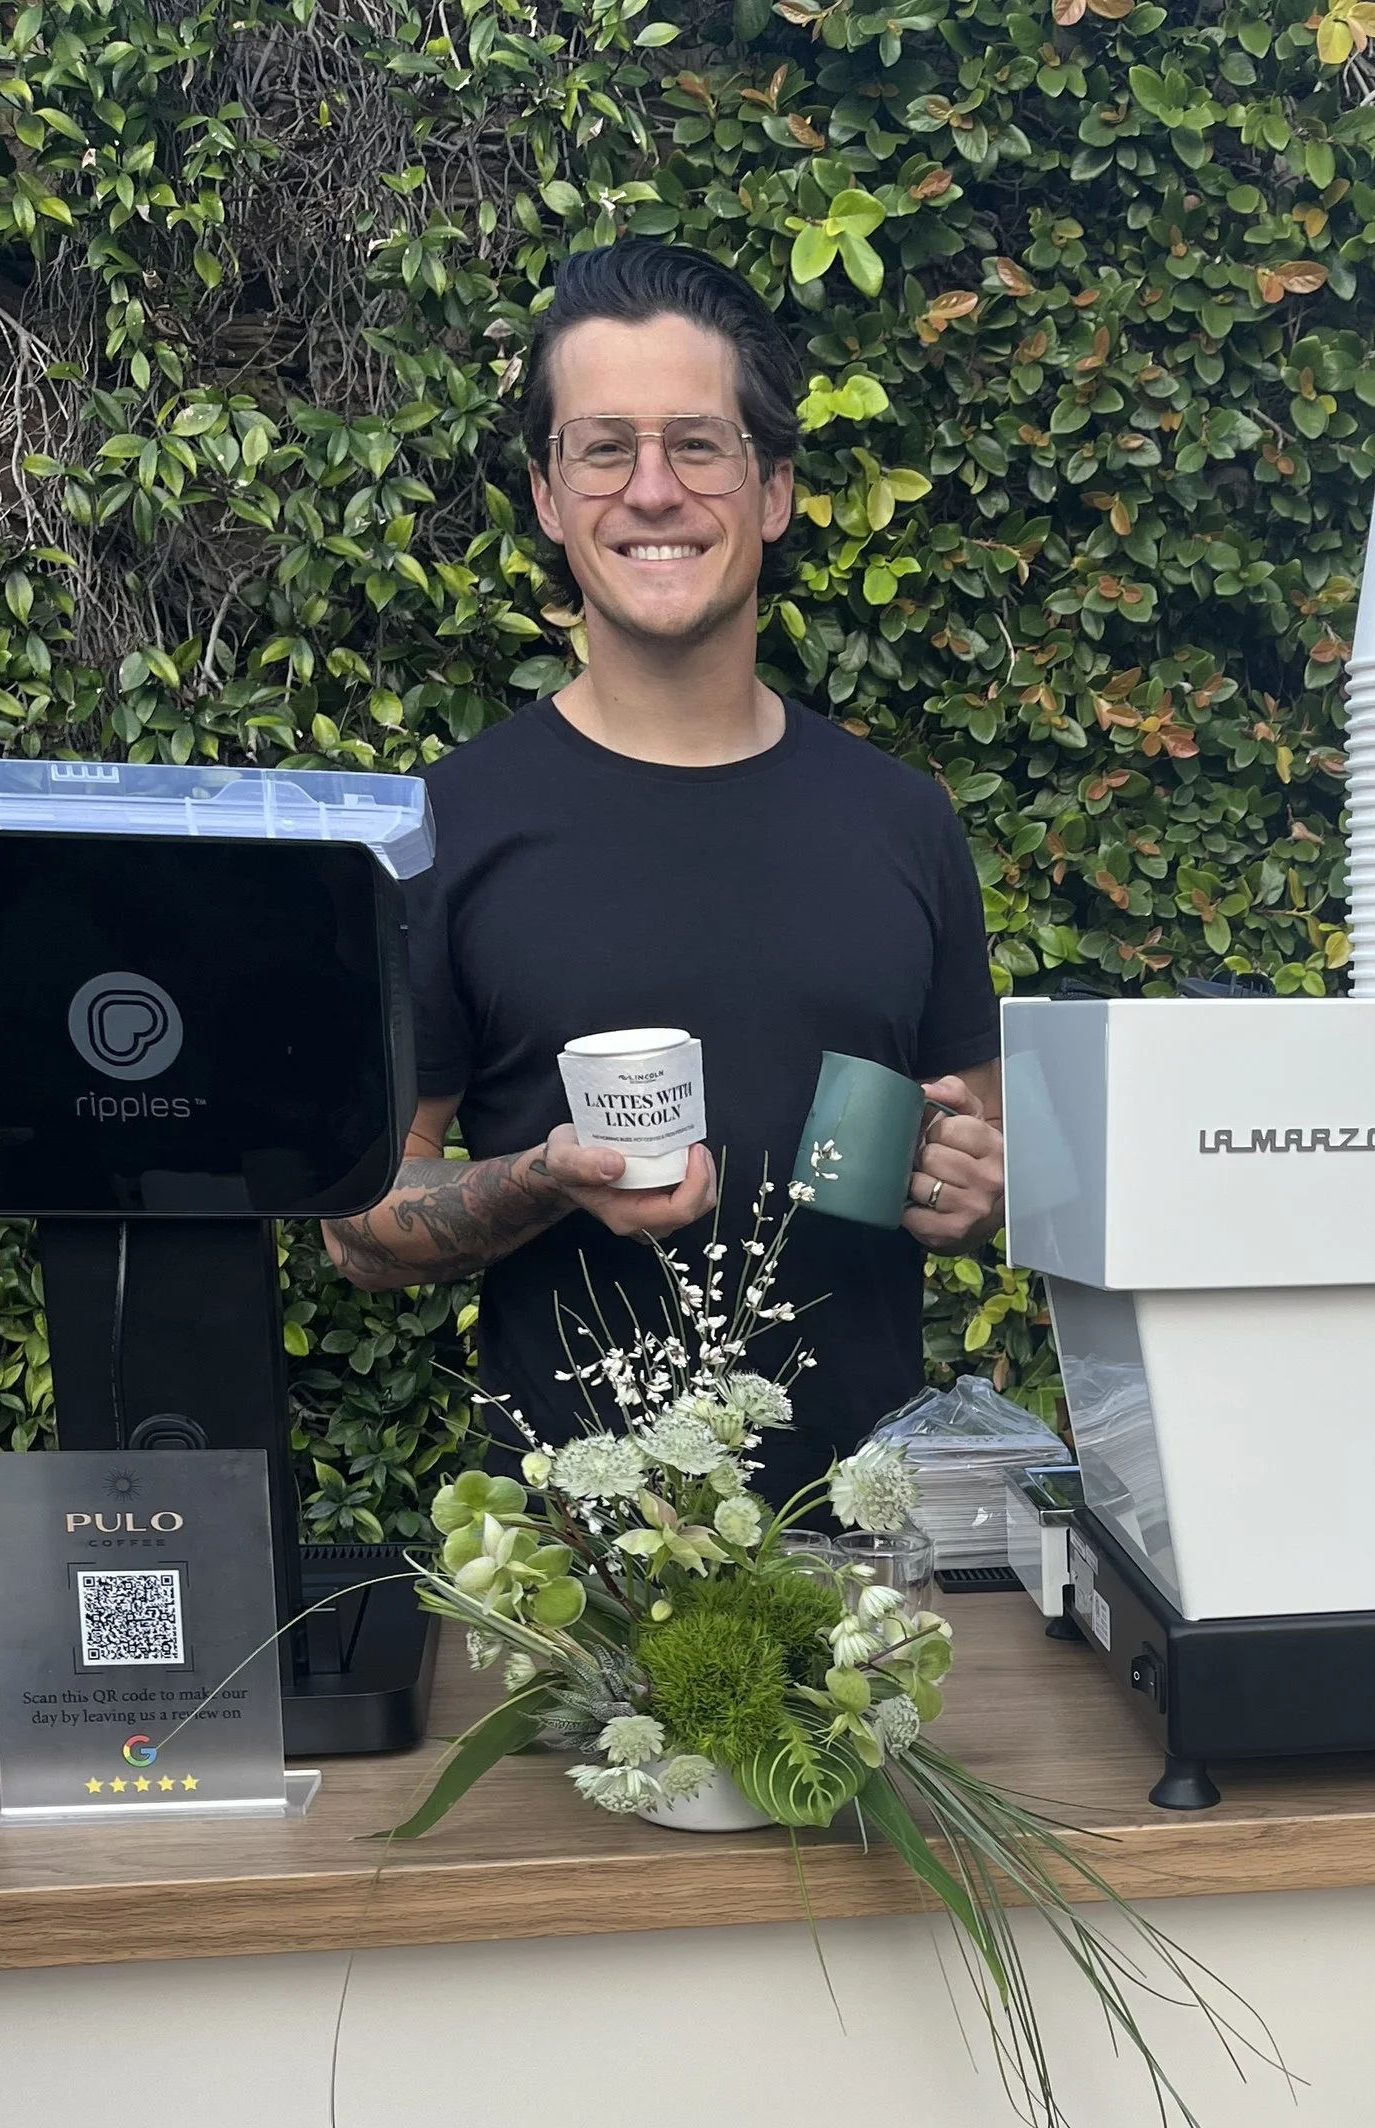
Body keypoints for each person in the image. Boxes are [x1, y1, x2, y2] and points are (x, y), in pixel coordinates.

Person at [322, 238, 1004, 1492]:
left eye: (697, 444)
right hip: (573, 1591)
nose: (651, 490)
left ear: (775, 489)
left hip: (874, 1574)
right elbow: (359, 1226)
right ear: (545, 494)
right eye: (602, 448)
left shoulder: (905, 822)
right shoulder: (440, 828)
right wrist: (539, 1180)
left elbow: (981, 1150)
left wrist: (981, 1196)